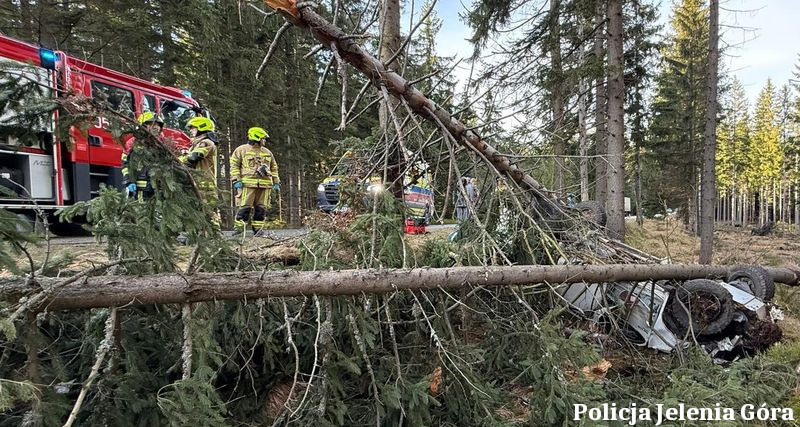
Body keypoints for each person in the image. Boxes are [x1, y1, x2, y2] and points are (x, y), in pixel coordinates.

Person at [230, 126, 280, 234]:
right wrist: (236, 180)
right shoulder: (241, 150)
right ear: (256, 137)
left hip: (265, 185)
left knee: (261, 208)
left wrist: (276, 182)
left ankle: (258, 229)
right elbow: (234, 165)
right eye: (263, 138)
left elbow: (274, 167)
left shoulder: (267, 152)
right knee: (244, 207)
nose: (264, 141)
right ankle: (239, 229)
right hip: (247, 184)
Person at [180, 116, 219, 225]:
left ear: (202, 128)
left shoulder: (206, 142)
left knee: (209, 210)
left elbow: (194, 157)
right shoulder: (196, 144)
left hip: (204, 182)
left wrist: (178, 160)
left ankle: (214, 234)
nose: (191, 130)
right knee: (199, 210)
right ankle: (204, 234)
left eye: (193, 128)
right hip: (197, 181)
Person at [121, 112, 164, 201]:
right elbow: (125, 164)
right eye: (151, 124)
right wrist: (128, 182)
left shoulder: (163, 143)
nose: (155, 127)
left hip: (159, 186)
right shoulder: (133, 143)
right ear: (143, 126)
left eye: (157, 125)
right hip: (141, 187)